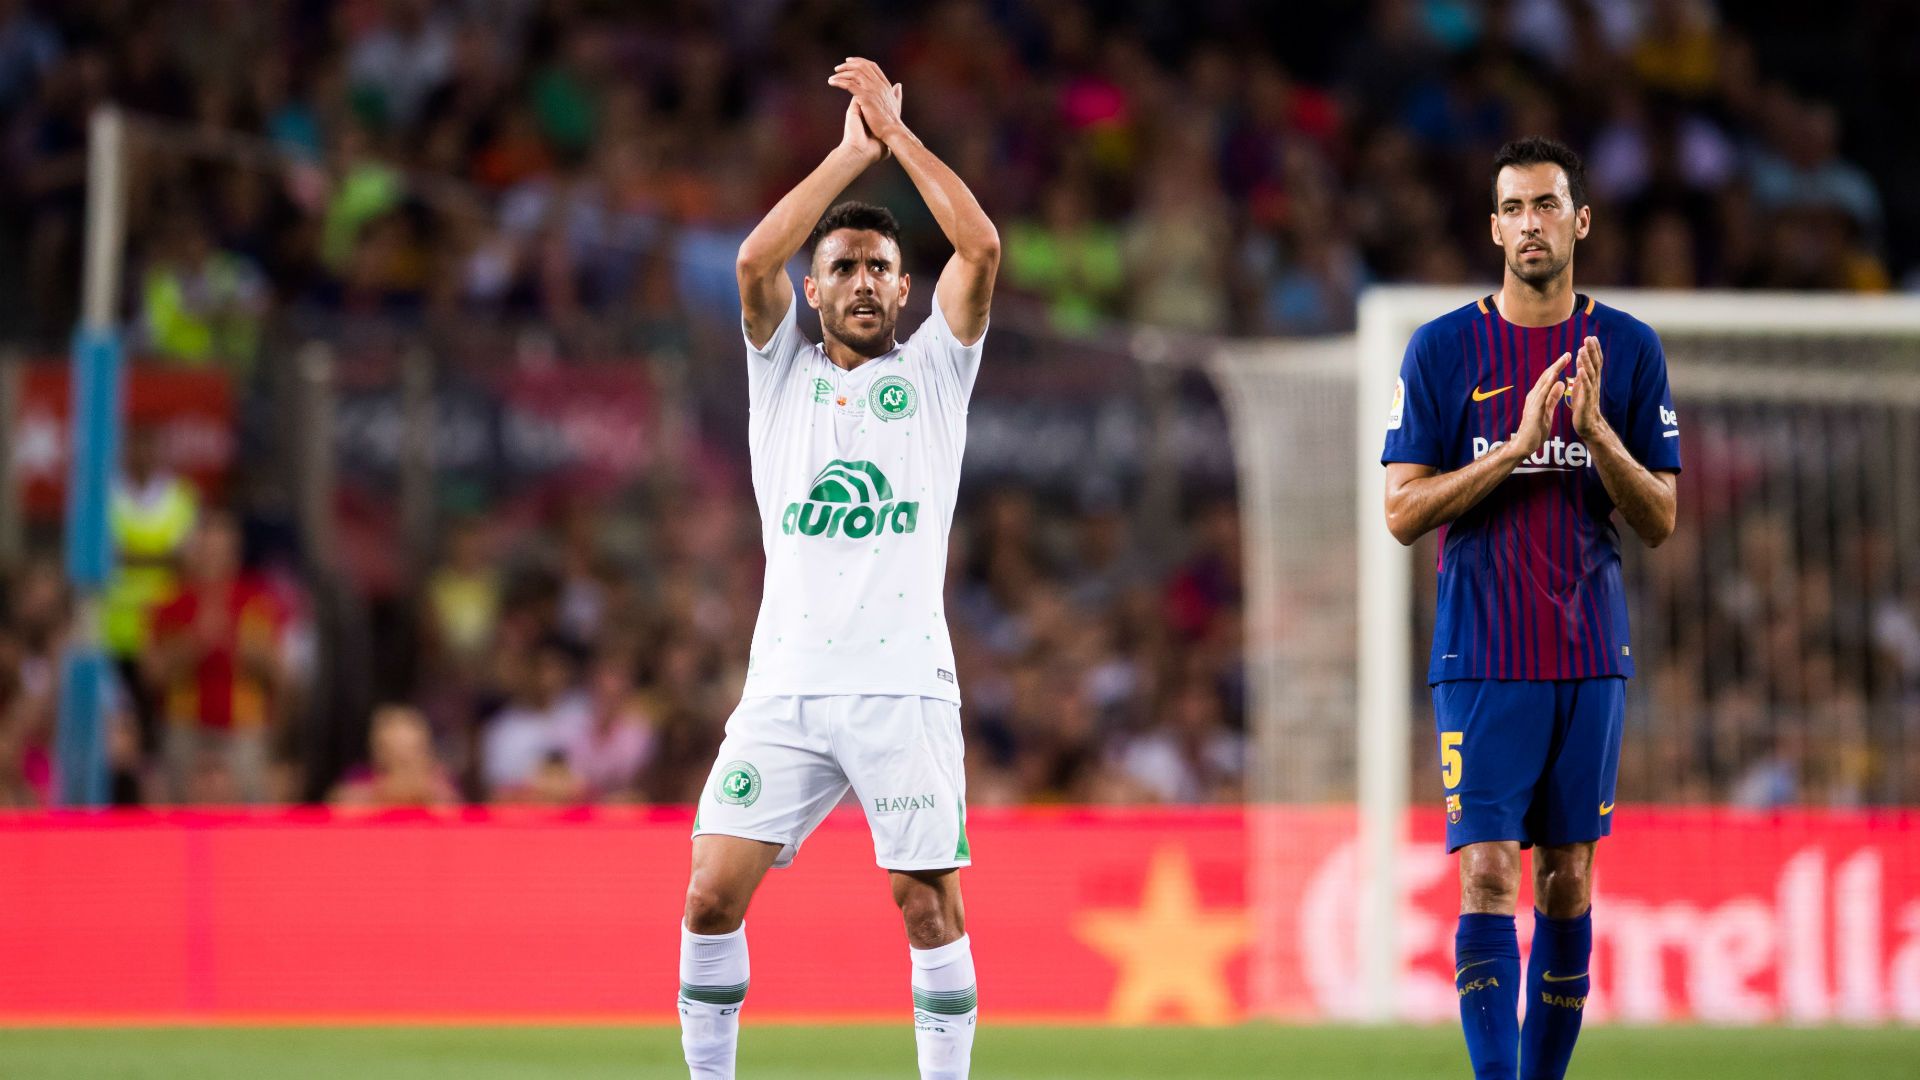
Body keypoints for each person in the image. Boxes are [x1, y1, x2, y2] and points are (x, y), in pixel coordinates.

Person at [677, 57, 998, 1080]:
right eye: (844, 267)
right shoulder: (779, 376)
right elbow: (748, 260)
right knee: (708, 895)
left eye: (880, 269)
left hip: (903, 686)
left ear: (906, 290)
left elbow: (981, 245)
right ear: (814, 290)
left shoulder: (936, 373)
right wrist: (847, 155)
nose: (864, 282)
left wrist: (898, 140)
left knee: (926, 904)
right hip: (785, 689)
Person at [1380, 137, 1681, 1080]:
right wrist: (1512, 449)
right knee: (1486, 873)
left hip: (1588, 651)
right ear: (1494, 226)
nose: (1529, 224)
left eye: (1547, 205)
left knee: (1566, 881)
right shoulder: (1441, 349)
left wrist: (1595, 435)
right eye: (1512, 208)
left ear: (1580, 221)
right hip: (1481, 655)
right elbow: (1400, 512)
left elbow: (1662, 517)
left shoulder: (1626, 350)